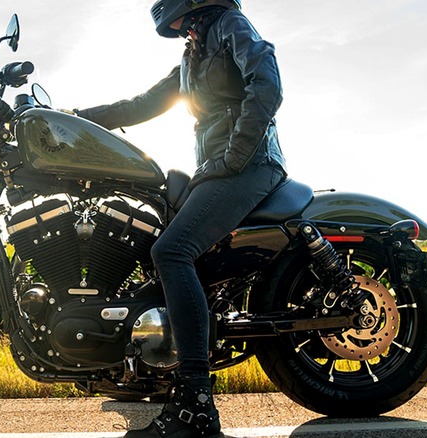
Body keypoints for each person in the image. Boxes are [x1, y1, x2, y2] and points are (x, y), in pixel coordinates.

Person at [76, 1, 287, 436]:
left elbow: (266, 83)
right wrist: (73, 120)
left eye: (181, 23)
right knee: (151, 239)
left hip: (248, 166)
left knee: (172, 251)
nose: (176, 30)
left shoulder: (230, 25)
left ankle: (196, 405)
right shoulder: (192, 55)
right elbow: (142, 104)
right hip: (217, 167)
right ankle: (148, 371)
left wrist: (234, 155)